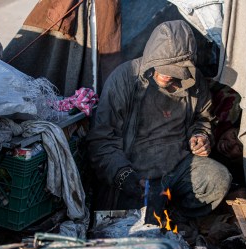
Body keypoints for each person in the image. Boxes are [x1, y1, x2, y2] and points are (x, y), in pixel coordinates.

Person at [87, 20, 231, 223]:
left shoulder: (194, 82)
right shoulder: (125, 78)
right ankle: (156, 210)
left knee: (217, 179)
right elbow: (101, 140)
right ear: (151, 58)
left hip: (178, 166)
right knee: (134, 225)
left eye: (173, 70)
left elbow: (203, 119)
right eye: (162, 67)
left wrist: (200, 135)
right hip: (136, 172)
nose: (166, 74)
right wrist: (125, 177)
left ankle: (177, 217)